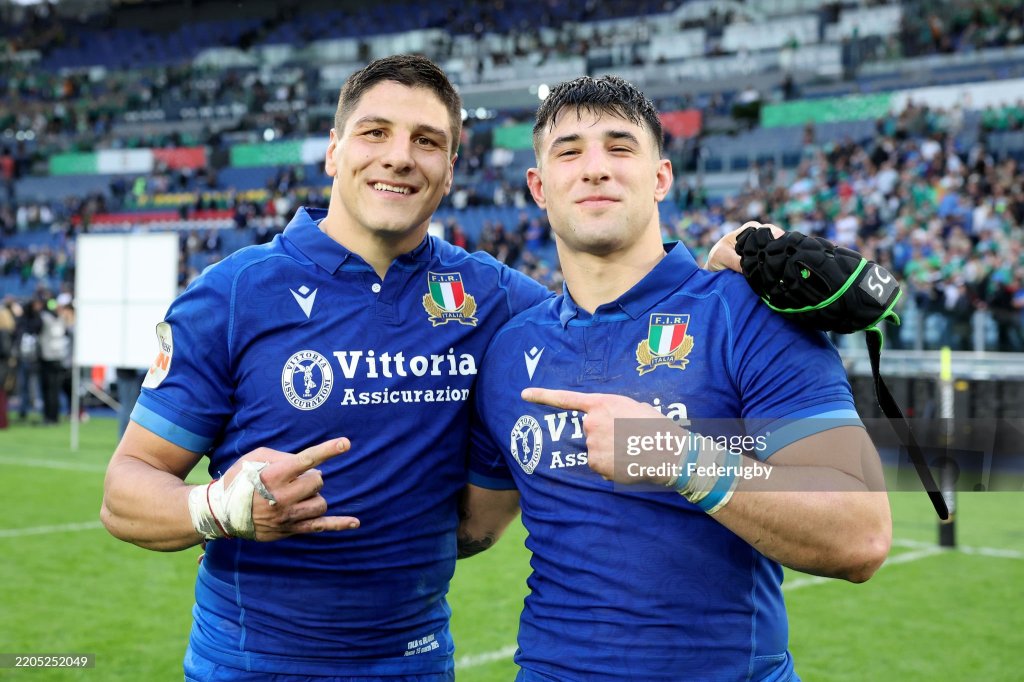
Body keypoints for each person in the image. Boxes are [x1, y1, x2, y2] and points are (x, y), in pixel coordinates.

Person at [100, 55, 843, 680]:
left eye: (427, 140)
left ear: (451, 167)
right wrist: (218, 509)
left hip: (418, 662)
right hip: (250, 663)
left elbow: (611, 293)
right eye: (375, 133)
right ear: (334, 150)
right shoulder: (231, 295)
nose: (399, 155)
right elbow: (125, 491)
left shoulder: (495, 302)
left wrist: (729, 267)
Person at [462, 76, 892, 681]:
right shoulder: (511, 348)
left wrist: (676, 455)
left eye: (619, 147)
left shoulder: (743, 312)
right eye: (568, 151)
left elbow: (861, 534)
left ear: (661, 177)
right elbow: (472, 527)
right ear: (538, 186)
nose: (594, 169)